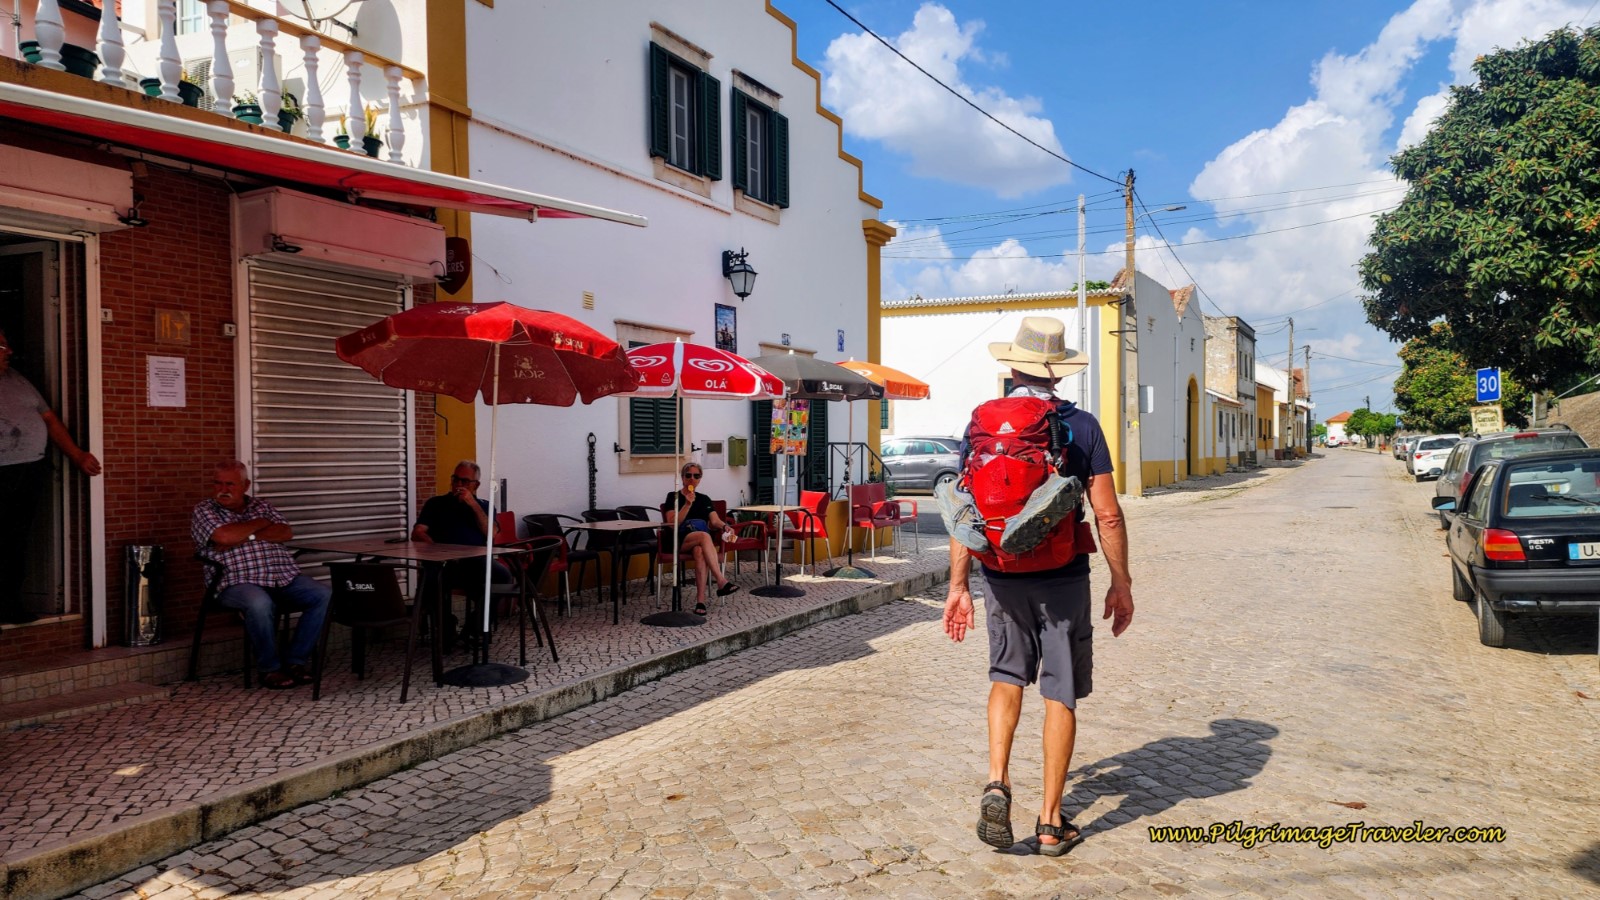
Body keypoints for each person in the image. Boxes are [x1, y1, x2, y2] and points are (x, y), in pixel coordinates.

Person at [939, 316, 1134, 856]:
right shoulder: (1082, 427)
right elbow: (1108, 516)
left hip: (999, 575)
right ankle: (1050, 822)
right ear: (1058, 373)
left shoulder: (981, 424)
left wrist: (959, 586)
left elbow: (965, 514)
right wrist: (1122, 583)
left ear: (1013, 365)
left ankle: (997, 780)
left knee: (1006, 677)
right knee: (1060, 692)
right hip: (1063, 576)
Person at [192, 460, 331, 689]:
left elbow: (285, 532)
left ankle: (295, 660)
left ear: (245, 485)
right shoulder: (205, 510)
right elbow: (224, 537)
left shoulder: (262, 506)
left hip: (282, 577)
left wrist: (248, 534)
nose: (223, 490)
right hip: (235, 582)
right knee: (258, 602)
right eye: (218, 483)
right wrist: (261, 525)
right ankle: (270, 668)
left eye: (230, 484)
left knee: (324, 595)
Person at [0, 327, 102, 624]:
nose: (9, 351)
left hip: (28, 469)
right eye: (2, 346)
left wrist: (78, 455)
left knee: (15, 540)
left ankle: (9, 606)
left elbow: (49, 418)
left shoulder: (17, 379)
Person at [411, 460, 511, 642]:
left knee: (503, 576)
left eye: (464, 482)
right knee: (431, 579)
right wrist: (437, 550)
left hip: (475, 563)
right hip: (444, 563)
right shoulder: (436, 503)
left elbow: (492, 533)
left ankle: (475, 627)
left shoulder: (485, 506)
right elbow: (418, 532)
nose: (458, 485)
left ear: (476, 485)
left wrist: (472, 504)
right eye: (455, 479)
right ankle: (446, 627)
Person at [662, 463, 740, 616]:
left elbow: (715, 520)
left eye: (696, 476)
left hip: (698, 542)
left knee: (699, 552)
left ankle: (700, 602)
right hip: (679, 539)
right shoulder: (674, 497)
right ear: (683, 478)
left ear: (700, 479)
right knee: (704, 536)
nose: (692, 479)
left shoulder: (704, 499)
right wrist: (687, 505)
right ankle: (721, 580)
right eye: (688, 475)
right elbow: (673, 524)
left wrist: (725, 527)